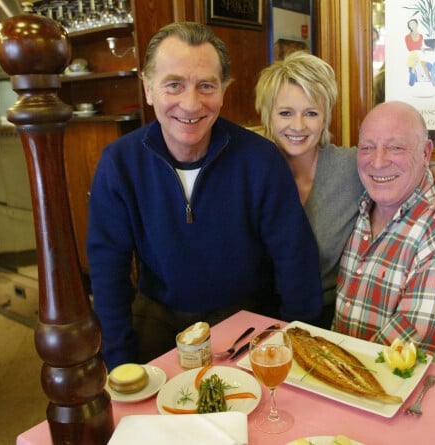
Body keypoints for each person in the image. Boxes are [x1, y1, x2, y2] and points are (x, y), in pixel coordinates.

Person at [87, 22, 323, 370]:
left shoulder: (260, 159)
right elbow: (108, 274)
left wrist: (295, 349)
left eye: (206, 86)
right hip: (159, 317)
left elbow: (296, 263)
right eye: (174, 85)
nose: (191, 103)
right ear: (149, 89)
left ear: (224, 90)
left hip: (247, 319)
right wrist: (119, 364)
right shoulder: (119, 162)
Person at [255, 52, 435, 329]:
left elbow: (408, 165)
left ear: (325, 118)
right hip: (258, 311)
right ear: (267, 115)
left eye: (311, 113)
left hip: (325, 317)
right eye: (286, 113)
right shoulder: (252, 167)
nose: (298, 126)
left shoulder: (349, 166)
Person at [333, 101, 435, 375]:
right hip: (350, 377)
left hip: (427, 397)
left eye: (396, 147)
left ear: (426, 153)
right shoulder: (364, 204)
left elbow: (409, 362)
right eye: (367, 147)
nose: (378, 161)